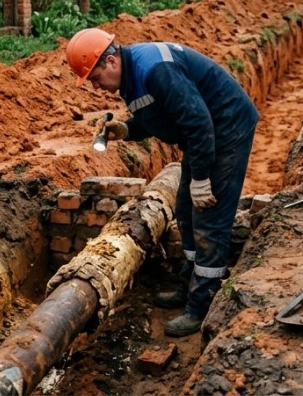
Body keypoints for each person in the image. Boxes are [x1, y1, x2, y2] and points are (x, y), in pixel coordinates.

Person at [66, 28, 259, 337]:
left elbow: (198, 121)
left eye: (95, 78)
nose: (97, 87)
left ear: (111, 61)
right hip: (204, 134)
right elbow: (156, 116)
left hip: (225, 128)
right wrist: (126, 130)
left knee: (209, 218)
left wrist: (201, 178)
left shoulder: (155, 69)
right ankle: (189, 284)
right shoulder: (131, 77)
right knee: (185, 210)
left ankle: (202, 303)